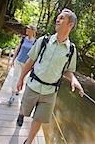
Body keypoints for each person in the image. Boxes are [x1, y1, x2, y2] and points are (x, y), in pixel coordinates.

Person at [17, 8, 84, 144]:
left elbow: (68, 71)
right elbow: (30, 61)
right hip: (33, 85)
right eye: (58, 17)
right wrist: (20, 78)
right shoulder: (43, 41)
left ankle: (28, 141)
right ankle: (20, 114)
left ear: (70, 25)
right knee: (24, 109)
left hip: (50, 92)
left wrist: (74, 80)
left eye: (61, 18)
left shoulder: (71, 50)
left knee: (39, 119)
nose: (57, 20)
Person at [8, 24, 37, 106]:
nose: (26, 30)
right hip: (19, 61)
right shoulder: (24, 38)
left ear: (32, 31)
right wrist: (13, 59)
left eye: (28, 29)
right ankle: (12, 96)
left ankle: (18, 90)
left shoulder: (35, 42)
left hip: (27, 64)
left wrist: (33, 65)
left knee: (22, 78)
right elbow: (17, 49)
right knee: (15, 77)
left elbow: (35, 54)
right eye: (26, 29)